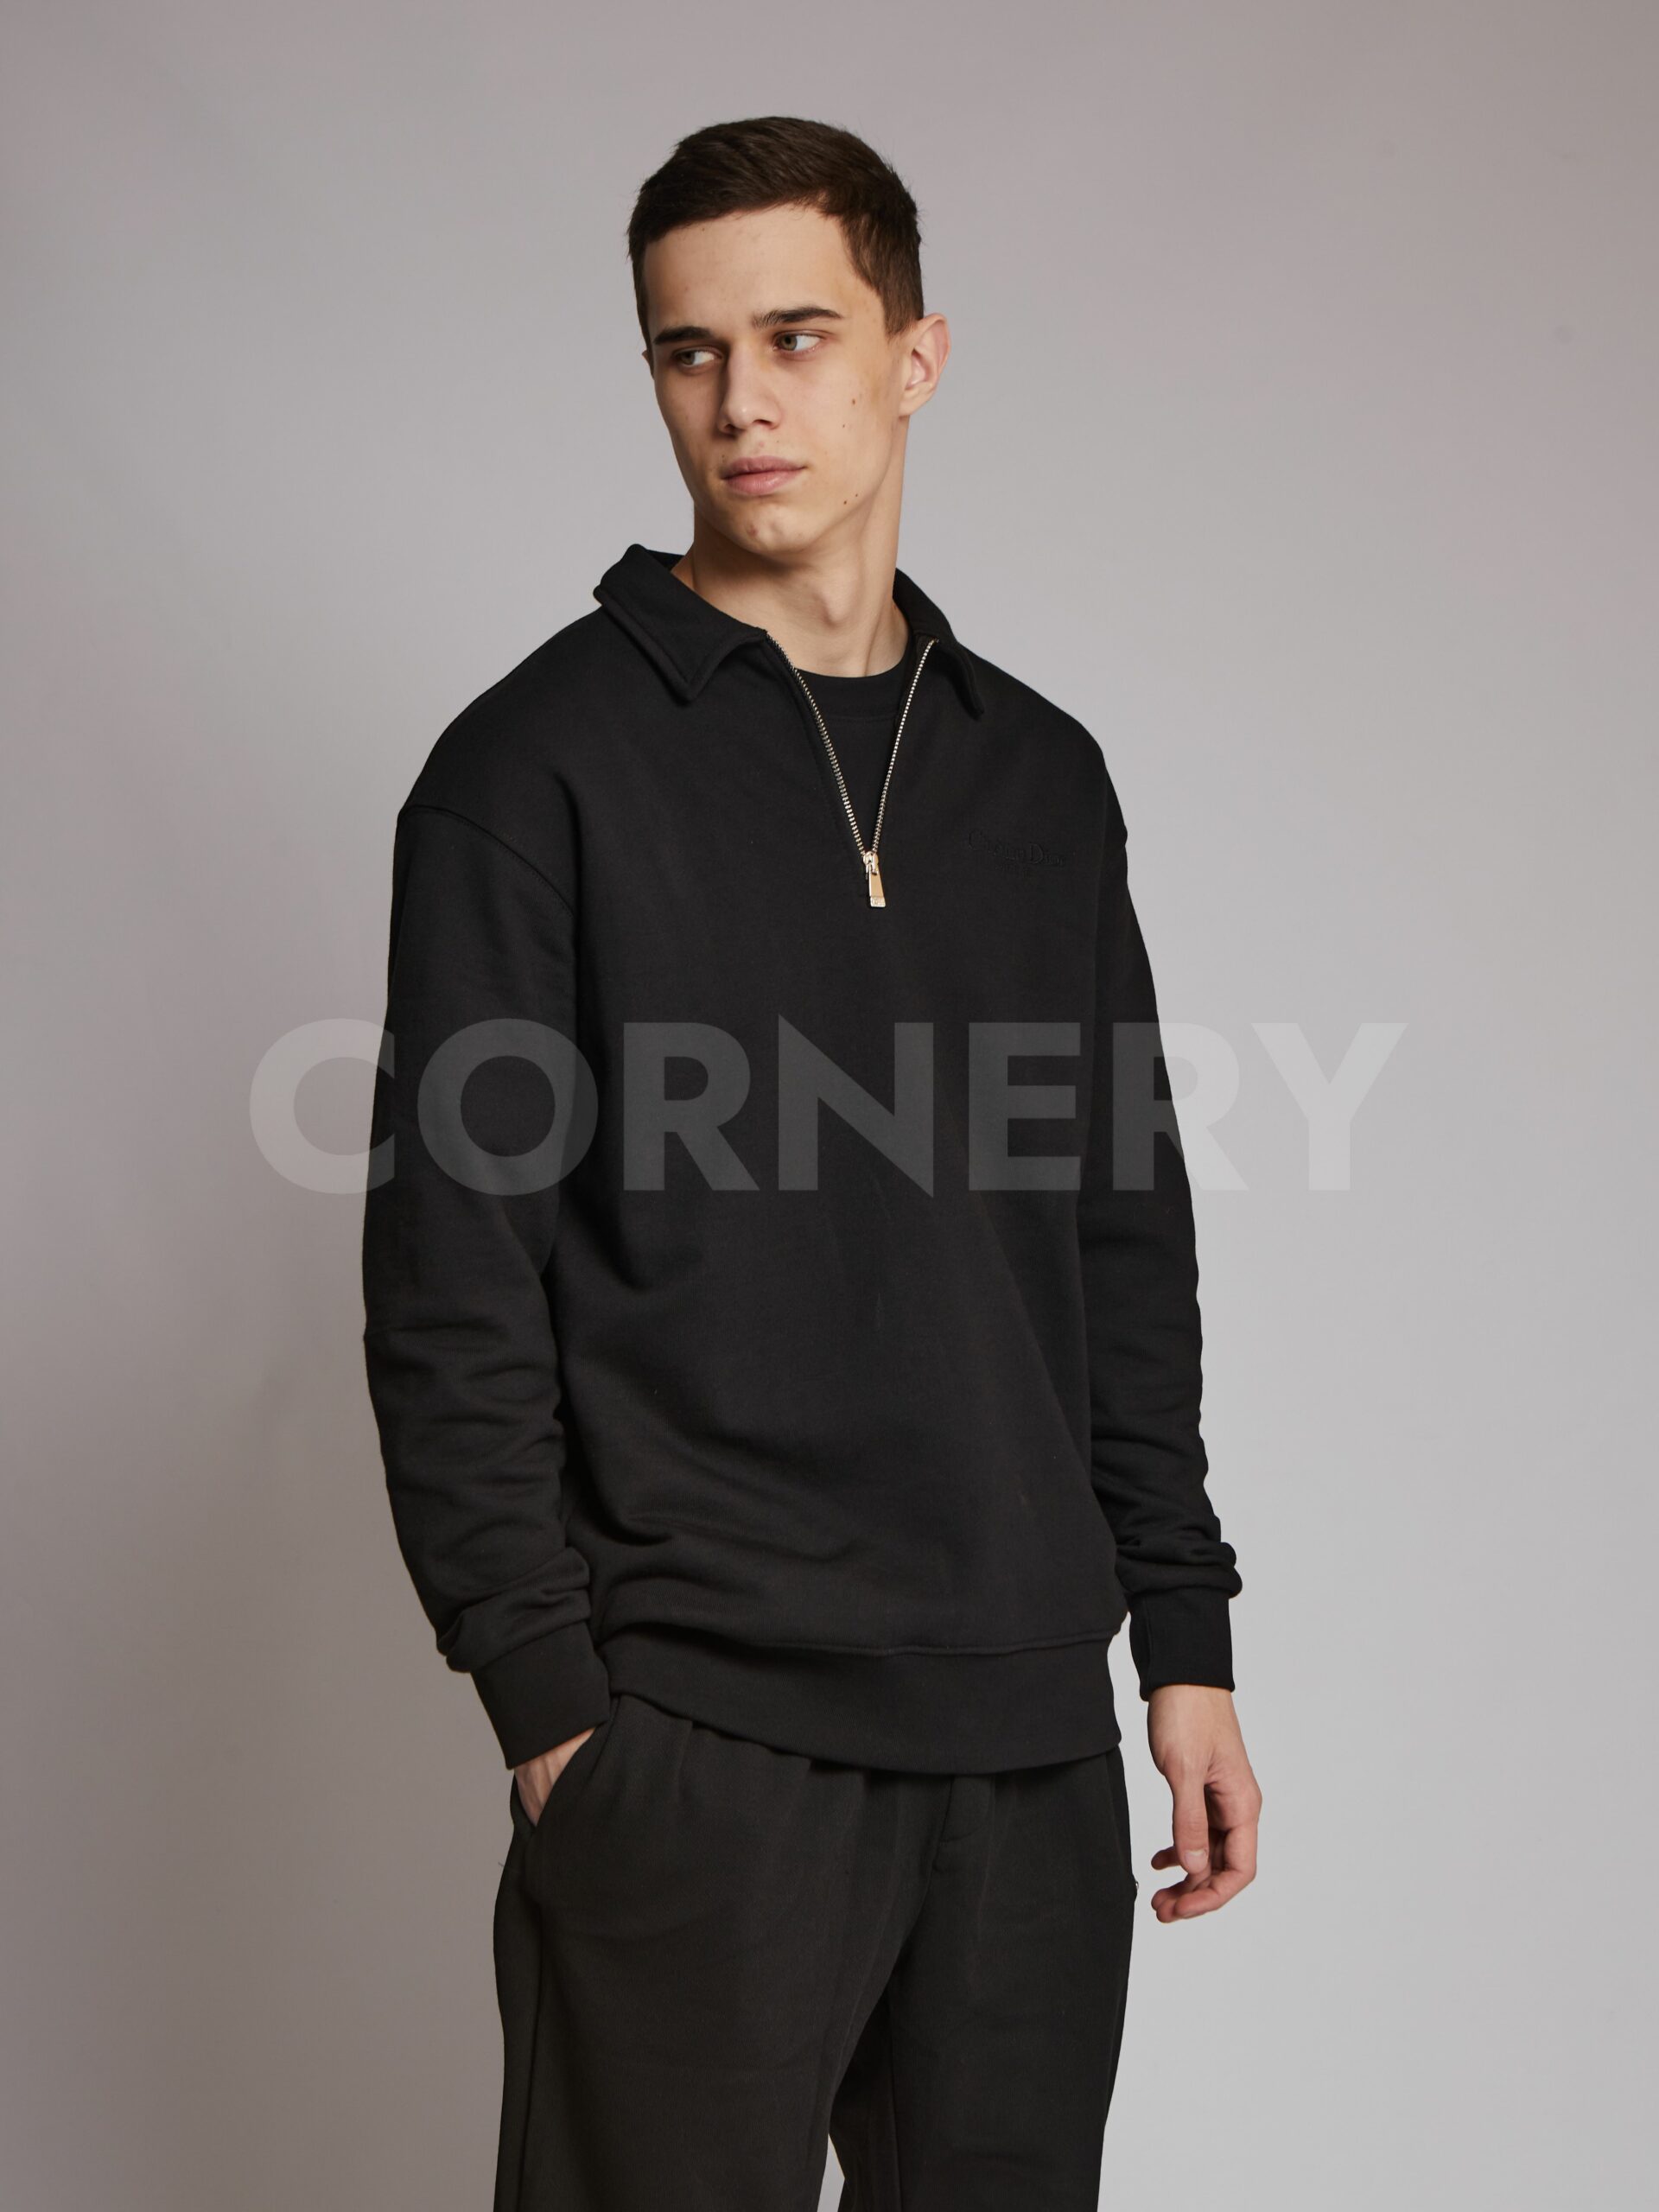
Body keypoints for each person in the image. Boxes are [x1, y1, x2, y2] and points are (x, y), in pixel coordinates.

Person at [361, 113, 1260, 2212]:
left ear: (914, 356)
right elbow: (453, 1279)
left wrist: (1183, 1636)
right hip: (699, 1741)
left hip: (1026, 1742)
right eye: (689, 350)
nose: (741, 399)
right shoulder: (532, 771)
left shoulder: (1038, 779)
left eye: (795, 335)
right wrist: (556, 1713)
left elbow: (1118, 1233)